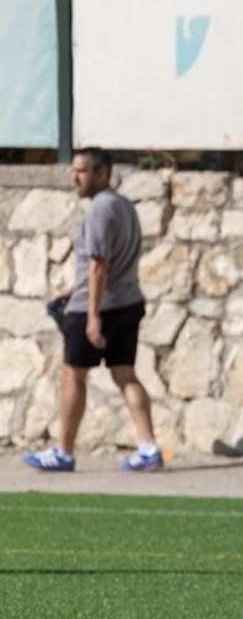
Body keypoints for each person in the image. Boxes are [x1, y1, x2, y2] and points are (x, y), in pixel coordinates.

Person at [23, 148, 163, 473]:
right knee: (125, 373)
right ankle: (148, 447)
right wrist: (74, 288)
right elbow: (111, 262)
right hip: (127, 301)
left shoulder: (100, 210)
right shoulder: (124, 206)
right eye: (73, 170)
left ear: (102, 173)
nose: (75, 178)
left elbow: (99, 265)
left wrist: (92, 316)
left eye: (82, 171)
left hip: (100, 306)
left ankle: (64, 451)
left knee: (73, 375)